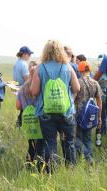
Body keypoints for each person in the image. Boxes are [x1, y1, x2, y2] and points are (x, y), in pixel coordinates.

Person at [29, 39, 80, 170]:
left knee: (49, 143)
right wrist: (69, 100)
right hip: (66, 112)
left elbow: (34, 91)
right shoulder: (67, 66)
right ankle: (71, 171)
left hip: (46, 112)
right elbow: (77, 88)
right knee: (68, 143)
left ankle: (52, 173)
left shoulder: (40, 68)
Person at [73, 60, 102, 164]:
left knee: (75, 138)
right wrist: (99, 117)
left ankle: (87, 157)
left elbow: (73, 99)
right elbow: (99, 100)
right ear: (89, 69)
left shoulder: (78, 82)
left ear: (79, 70)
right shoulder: (95, 82)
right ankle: (90, 162)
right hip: (91, 113)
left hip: (79, 113)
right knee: (88, 139)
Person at [15, 67, 42, 168]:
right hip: (39, 118)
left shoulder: (22, 88)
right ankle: (40, 164)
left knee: (31, 143)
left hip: (28, 119)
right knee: (41, 142)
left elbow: (18, 106)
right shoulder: (40, 85)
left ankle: (30, 164)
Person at [14, 46, 34, 127]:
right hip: (25, 90)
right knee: (27, 111)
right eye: (29, 54)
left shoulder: (17, 63)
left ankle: (18, 125)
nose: (30, 56)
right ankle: (21, 126)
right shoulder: (24, 64)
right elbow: (27, 79)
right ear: (25, 54)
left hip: (19, 90)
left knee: (22, 110)